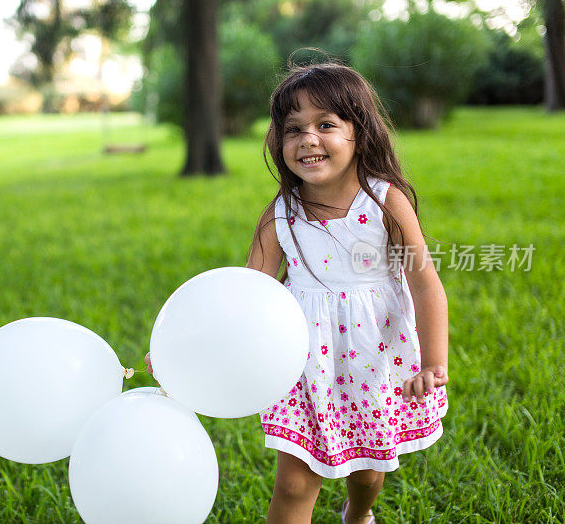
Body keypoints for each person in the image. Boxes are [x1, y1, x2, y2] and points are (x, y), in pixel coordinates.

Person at [146, 61, 449, 524]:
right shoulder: (281, 215)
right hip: (303, 361)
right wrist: (179, 357)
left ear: (359, 132)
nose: (308, 138)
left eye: (326, 124)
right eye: (293, 129)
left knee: (367, 471)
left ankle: (358, 514)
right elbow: (241, 300)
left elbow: (425, 285)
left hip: (374, 359)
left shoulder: (385, 202)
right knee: (293, 483)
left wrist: (433, 363)